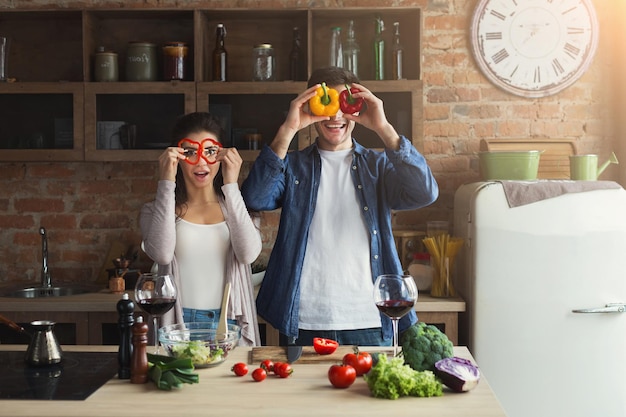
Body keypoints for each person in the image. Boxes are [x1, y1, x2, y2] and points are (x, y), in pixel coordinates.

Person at [241, 67, 438, 346]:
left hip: (370, 315)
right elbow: (255, 198)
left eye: (343, 106)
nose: (334, 116)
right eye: (327, 105)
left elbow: (424, 193)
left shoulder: (377, 165)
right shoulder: (294, 166)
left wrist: (384, 128)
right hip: (304, 318)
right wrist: (288, 129)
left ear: (356, 109)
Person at [140, 112, 262, 346]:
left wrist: (231, 185)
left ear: (222, 155)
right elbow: (162, 253)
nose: (201, 162)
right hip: (178, 322)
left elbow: (248, 254)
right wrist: (166, 180)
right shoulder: (154, 211)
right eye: (190, 152)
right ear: (176, 156)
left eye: (209, 151)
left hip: (228, 321)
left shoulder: (238, 208)